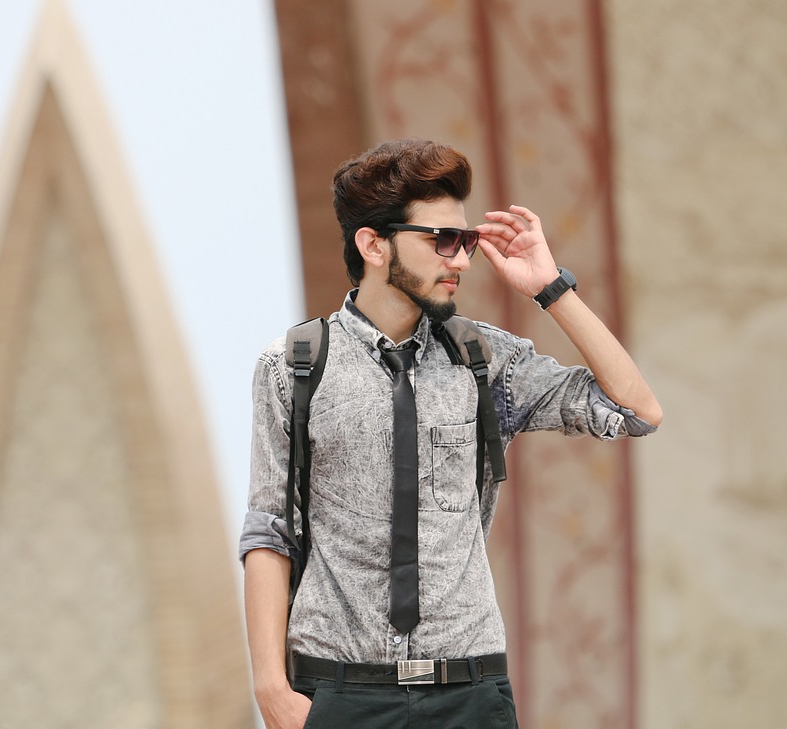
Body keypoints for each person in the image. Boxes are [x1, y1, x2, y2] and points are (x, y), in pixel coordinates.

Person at [240, 138, 662, 729]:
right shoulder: (294, 367)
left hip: (469, 694)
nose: (460, 260)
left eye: (465, 241)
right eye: (442, 240)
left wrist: (550, 288)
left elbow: (636, 410)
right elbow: (270, 530)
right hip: (337, 693)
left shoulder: (483, 360)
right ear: (373, 245)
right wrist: (270, 686)